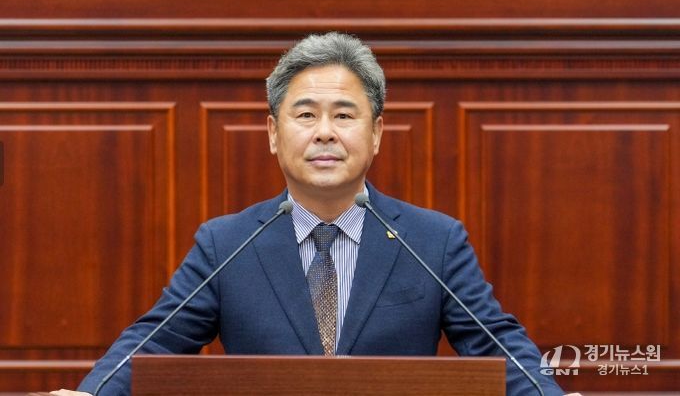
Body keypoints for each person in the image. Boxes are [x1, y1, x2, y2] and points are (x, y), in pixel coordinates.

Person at [53, 32, 568, 395]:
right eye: (305, 115)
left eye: (344, 115)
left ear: (376, 133)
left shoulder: (434, 241)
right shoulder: (225, 244)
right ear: (273, 133)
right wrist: (91, 394)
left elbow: (496, 343)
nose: (325, 132)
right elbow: (154, 342)